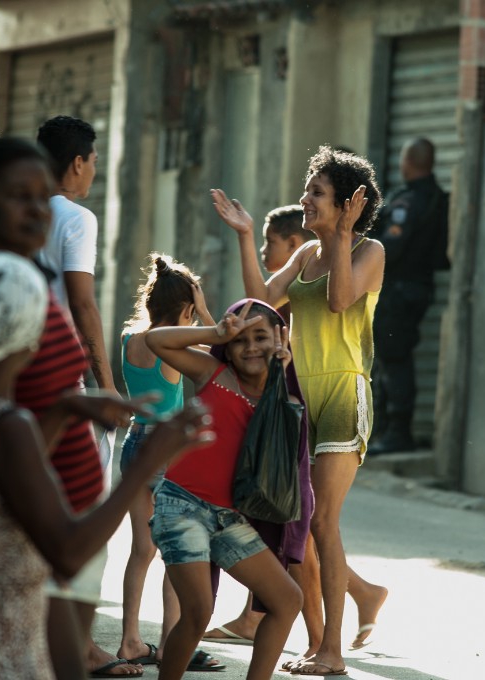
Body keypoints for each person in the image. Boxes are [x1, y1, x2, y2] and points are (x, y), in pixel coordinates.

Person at [0, 251, 212, 680]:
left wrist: (62, 410)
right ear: (31, 340)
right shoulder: (7, 426)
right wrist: (150, 460)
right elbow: (68, 551)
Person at [0, 136, 141, 678]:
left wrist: (78, 407)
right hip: (40, 524)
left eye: (45, 196)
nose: (42, 210)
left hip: (48, 500)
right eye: (21, 196)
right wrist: (150, 457)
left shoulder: (22, 272)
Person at [211, 145, 390, 675]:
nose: (304, 200)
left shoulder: (369, 251)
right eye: (307, 189)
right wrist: (246, 235)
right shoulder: (304, 255)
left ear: (348, 206)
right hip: (298, 401)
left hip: (343, 396)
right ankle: (319, 641)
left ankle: (331, 651)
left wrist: (340, 236)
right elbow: (260, 301)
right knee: (301, 523)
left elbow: (338, 301)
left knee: (323, 524)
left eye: (316, 193)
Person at [145, 300, 309, 680]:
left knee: (287, 599)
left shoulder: (286, 399)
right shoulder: (213, 373)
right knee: (199, 611)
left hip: (228, 517)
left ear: (281, 339)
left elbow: (289, 465)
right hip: (179, 505)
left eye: (261, 337)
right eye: (240, 340)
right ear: (228, 347)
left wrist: (280, 379)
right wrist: (214, 334)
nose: (250, 347)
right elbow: (157, 341)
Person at [115, 254, 216, 667]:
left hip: (134, 443)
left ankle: (130, 641)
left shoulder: (129, 339)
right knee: (176, 550)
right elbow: (221, 349)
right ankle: (174, 641)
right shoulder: (176, 344)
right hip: (166, 452)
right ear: (187, 309)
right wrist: (206, 313)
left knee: (142, 550)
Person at [368, 137, 449, 454]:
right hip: (419, 289)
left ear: (408, 163)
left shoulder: (407, 202)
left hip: (399, 292)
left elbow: (391, 246)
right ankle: (387, 430)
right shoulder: (438, 199)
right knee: (393, 357)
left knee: (394, 358)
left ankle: (397, 432)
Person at [36, 115, 115, 392]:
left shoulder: (22, 210)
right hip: (57, 366)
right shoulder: (77, 218)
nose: (95, 171)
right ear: (78, 164)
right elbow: (82, 305)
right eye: (95, 162)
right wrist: (107, 386)